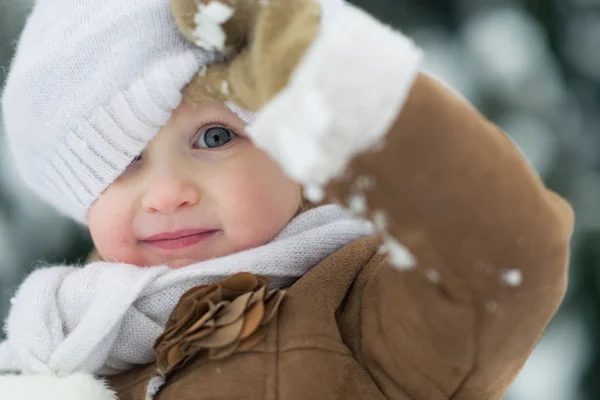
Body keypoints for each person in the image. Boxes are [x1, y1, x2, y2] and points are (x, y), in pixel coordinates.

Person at [0, 0, 574, 399]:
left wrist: (326, 78)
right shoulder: (55, 350)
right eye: (122, 159)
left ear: (296, 144)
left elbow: (503, 256)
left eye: (216, 137)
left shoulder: (362, 311)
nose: (169, 194)